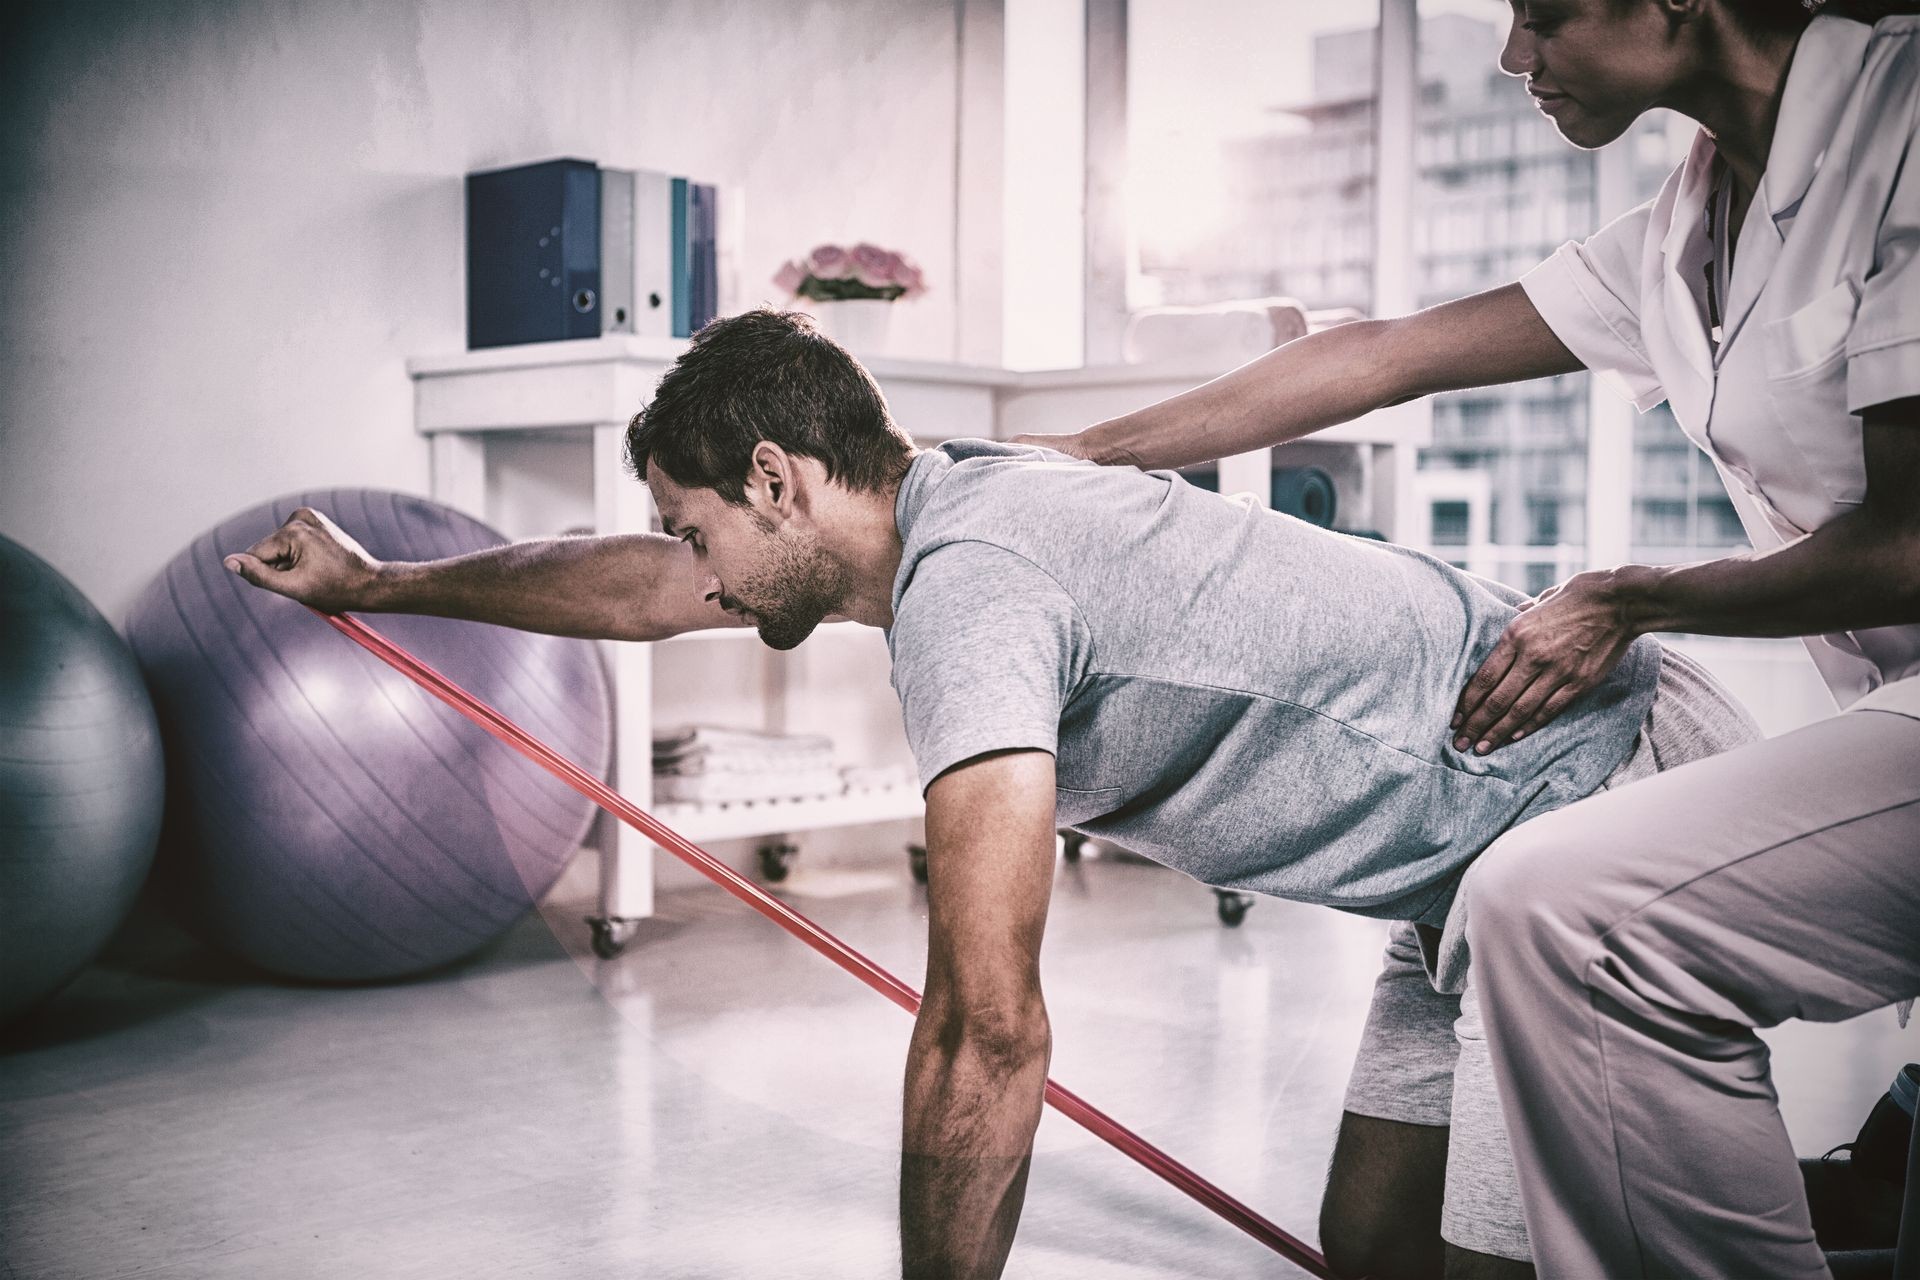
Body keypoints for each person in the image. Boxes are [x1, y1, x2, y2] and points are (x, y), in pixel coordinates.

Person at [228, 309, 1756, 1279]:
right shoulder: (933, 498)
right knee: (1377, 1250)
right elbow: (634, 589)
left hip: (1587, 808)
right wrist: (387, 584)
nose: (690, 569)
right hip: (1464, 874)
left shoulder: (972, 589)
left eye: (697, 525)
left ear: (777, 479)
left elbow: (988, 1023)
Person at [1019, 2, 1920, 1275]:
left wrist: (1631, 595)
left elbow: (1911, 541)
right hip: (1888, 709)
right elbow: (1384, 355)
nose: (1515, 57)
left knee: (1557, 900)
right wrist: (1071, 459)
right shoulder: (1681, 232)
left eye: (1544, 13)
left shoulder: (1906, 116)